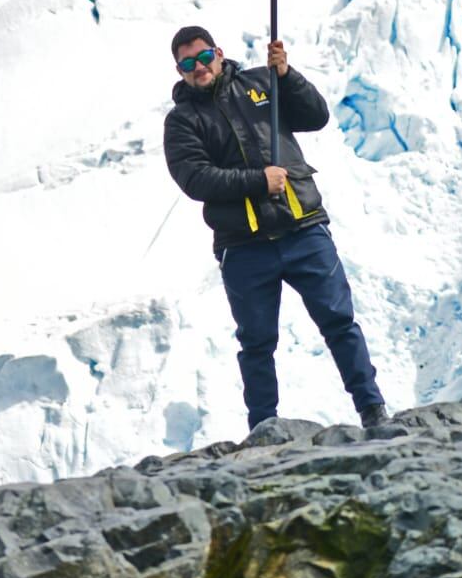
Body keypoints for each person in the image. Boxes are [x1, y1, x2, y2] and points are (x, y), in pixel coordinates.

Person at [163, 24, 387, 431]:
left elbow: (316, 115)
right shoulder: (182, 122)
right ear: (179, 71)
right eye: (188, 63)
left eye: (203, 57)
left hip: (303, 225)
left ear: (219, 52)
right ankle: (265, 430)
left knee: (340, 322)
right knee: (257, 344)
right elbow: (195, 179)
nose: (199, 68)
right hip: (244, 246)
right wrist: (257, 180)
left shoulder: (260, 82)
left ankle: (372, 411)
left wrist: (287, 76)